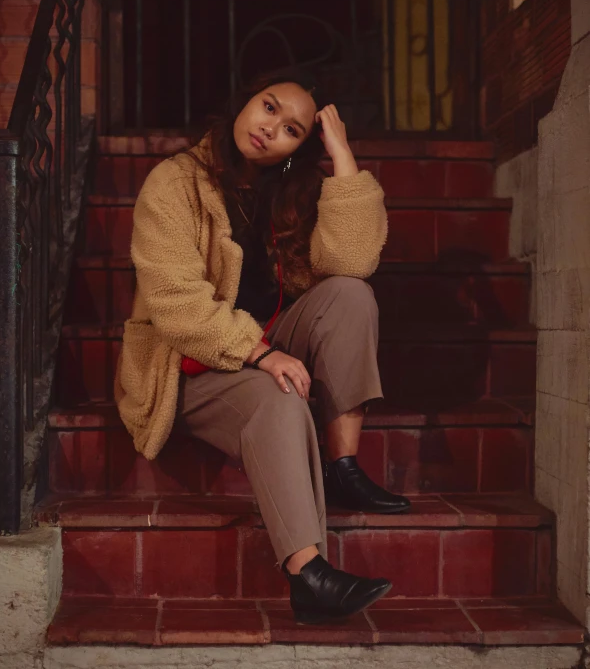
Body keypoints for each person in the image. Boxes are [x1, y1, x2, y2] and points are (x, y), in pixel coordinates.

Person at [114, 68, 411, 625]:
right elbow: (175, 303)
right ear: (245, 102)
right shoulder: (174, 182)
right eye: (269, 108)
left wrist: (343, 157)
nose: (272, 128)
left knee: (350, 295)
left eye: (293, 129)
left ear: (302, 146)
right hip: (190, 365)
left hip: (266, 345)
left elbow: (351, 262)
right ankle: (308, 574)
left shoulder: (292, 193)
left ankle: (343, 465)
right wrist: (261, 354)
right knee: (279, 396)